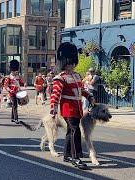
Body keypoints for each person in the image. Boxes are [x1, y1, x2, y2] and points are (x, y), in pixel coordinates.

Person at [50, 42, 95, 170]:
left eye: (72, 62)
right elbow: (56, 94)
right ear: (64, 62)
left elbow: (81, 90)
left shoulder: (76, 76)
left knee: (70, 132)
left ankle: (67, 154)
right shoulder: (60, 78)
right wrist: (53, 108)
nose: (71, 65)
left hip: (77, 109)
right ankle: (76, 157)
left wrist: (89, 96)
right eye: (69, 62)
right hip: (67, 109)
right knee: (75, 131)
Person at [3, 60, 24, 124]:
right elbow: (6, 86)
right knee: (15, 105)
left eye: (16, 71)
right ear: (12, 70)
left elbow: (21, 83)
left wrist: (23, 83)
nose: (16, 72)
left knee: (14, 105)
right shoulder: (9, 77)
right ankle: (16, 118)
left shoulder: (18, 77)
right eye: (14, 71)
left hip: (17, 92)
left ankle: (12, 118)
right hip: (12, 93)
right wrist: (10, 90)